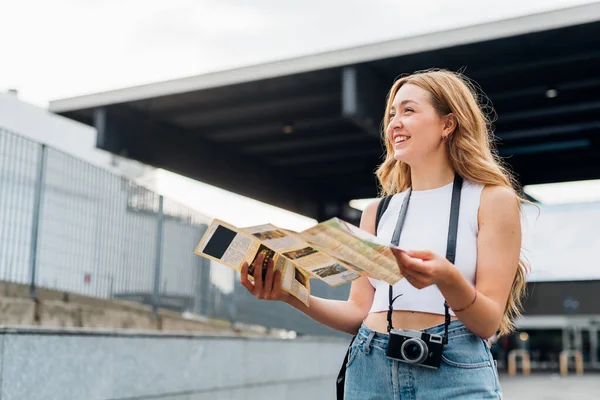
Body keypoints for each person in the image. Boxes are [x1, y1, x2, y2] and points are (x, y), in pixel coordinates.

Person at [239, 69, 527, 399]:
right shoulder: (377, 211)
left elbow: (488, 323)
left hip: (453, 369)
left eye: (408, 110)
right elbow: (359, 312)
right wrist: (290, 295)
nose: (394, 123)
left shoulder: (491, 200)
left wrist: (448, 278)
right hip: (369, 366)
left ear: (448, 124)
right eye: (391, 114)